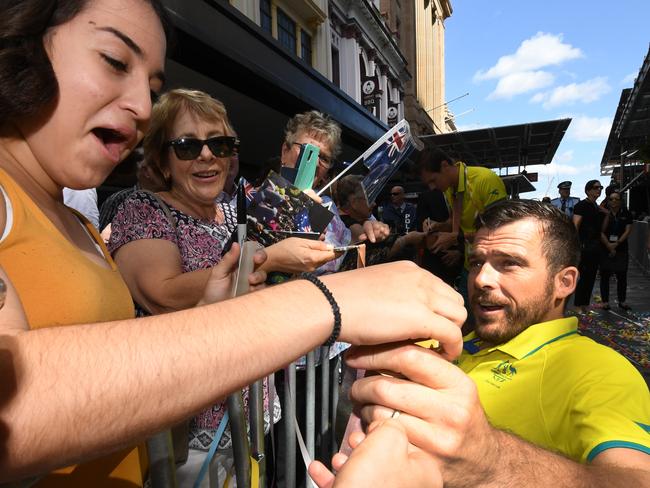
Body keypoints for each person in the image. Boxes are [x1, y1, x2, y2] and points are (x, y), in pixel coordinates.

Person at [0, 0, 467, 484]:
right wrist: (322, 302)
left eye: (152, 87)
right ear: (25, 48)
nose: (140, 106)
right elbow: (13, 405)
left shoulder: (77, 223)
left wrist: (222, 306)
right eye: (115, 61)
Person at [313, 199, 650, 487]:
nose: (481, 279)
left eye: (509, 264)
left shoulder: (596, 370)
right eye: (477, 262)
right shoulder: (439, 342)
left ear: (564, 282)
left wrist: (488, 461)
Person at [418, 147, 507, 303]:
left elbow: (499, 230)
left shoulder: (485, 179)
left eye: (433, 180)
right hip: (469, 264)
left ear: (445, 165)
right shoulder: (447, 190)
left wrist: (456, 237)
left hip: (493, 266)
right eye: (428, 184)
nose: (432, 187)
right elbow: (454, 222)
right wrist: (438, 226)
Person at [331, 174, 425, 267]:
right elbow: (376, 255)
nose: (374, 203)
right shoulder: (352, 228)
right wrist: (407, 239)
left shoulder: (360, 218)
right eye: (369, 198)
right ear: (354, 202)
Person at [573, 179, 606, 311]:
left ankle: (584, 303)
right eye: (596, 187)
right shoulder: (581, 205)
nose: (599, 190)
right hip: (584, 246)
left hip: (595, 246)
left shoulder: (596, 207)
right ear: (588, 190)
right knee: (583, 276)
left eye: (600, 187)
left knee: (591, 276)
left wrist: (606, 213)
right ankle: (578, 304)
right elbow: (575, 225)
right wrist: (576, 246)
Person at [599, 190, 633, 311]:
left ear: (620, 201)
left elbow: (628, 230)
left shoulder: (626, 213)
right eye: (611, 199)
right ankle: (605, 302)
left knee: (622, 276)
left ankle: (622, 301)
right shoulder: (603, 214)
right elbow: (600, 231)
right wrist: (609, 245)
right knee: (605, 276)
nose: (614, 201)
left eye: (616, 199)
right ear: (608, 201)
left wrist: (616, 244)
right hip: (605, 248)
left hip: (621, 248)